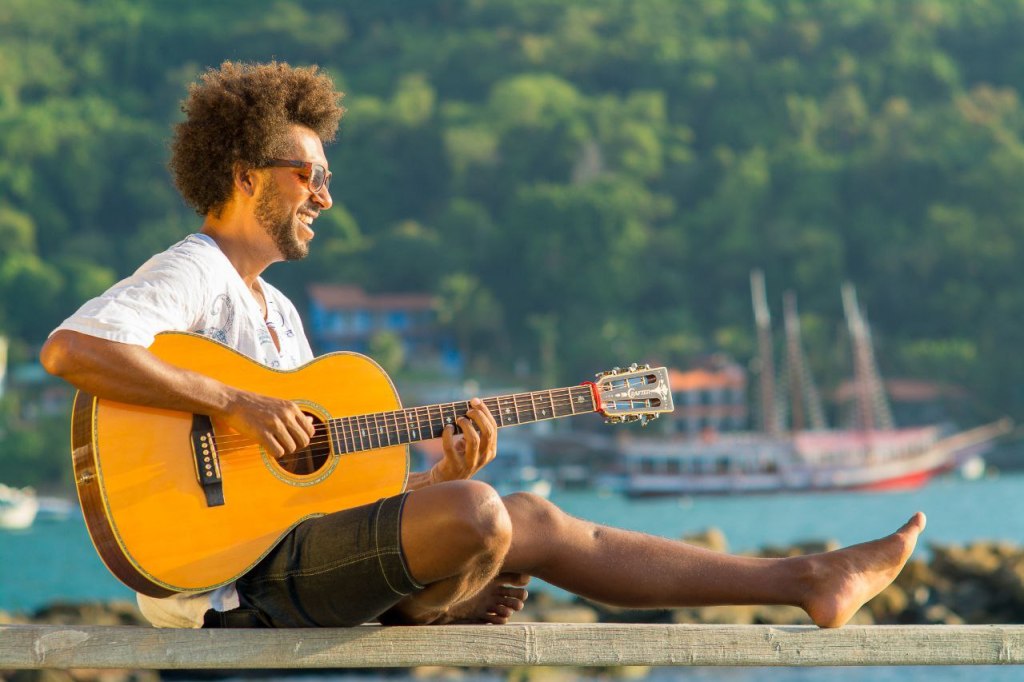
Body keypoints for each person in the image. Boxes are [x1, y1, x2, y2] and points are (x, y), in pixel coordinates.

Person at [41, 60, 926, 630]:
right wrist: (240, 402)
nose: (325, 196)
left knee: (514, 511)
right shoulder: (195, 270)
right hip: (229, 589)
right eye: (308, 174)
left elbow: (301, 493)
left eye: (328, 178)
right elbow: (71, 350)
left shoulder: (277, 316)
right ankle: (441, 603)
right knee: (479, 519)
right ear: (244, 176)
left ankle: (808, 576)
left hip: (293, 558)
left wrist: (430, 478)